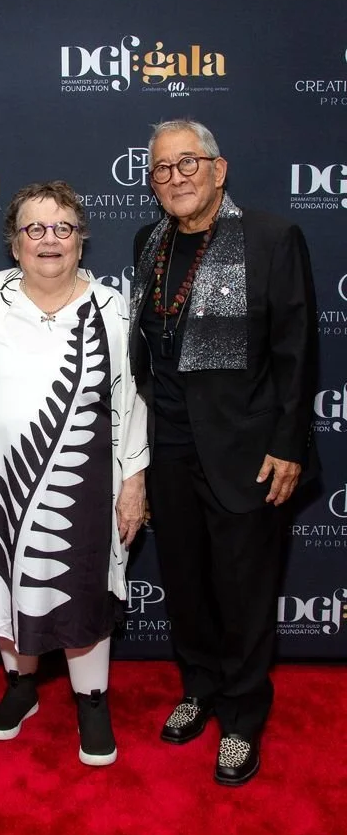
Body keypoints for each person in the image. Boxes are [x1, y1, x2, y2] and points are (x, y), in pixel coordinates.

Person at [129, 119, 317, 786]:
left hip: (247, 452)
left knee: (243, 591)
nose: (175, 178)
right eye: (161, 169)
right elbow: (146, 351)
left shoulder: (269, 239)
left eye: (188, 164)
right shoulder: (148, 243)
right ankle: (201, 687)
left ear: (219, 169)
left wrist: (288, 442)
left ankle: (241, 717)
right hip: (172, 446)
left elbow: (297, 352)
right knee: (186, 583)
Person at [0, 181, 148, 766]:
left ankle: (92, 702)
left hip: (87, 481)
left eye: (63, 228)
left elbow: (132, 399)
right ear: (14, 244)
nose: (49, 240)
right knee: (4, 575)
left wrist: (134, 480)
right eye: (34, 229)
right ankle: (20, 688)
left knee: (78, 587)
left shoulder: (113, 308)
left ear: (81, 240)